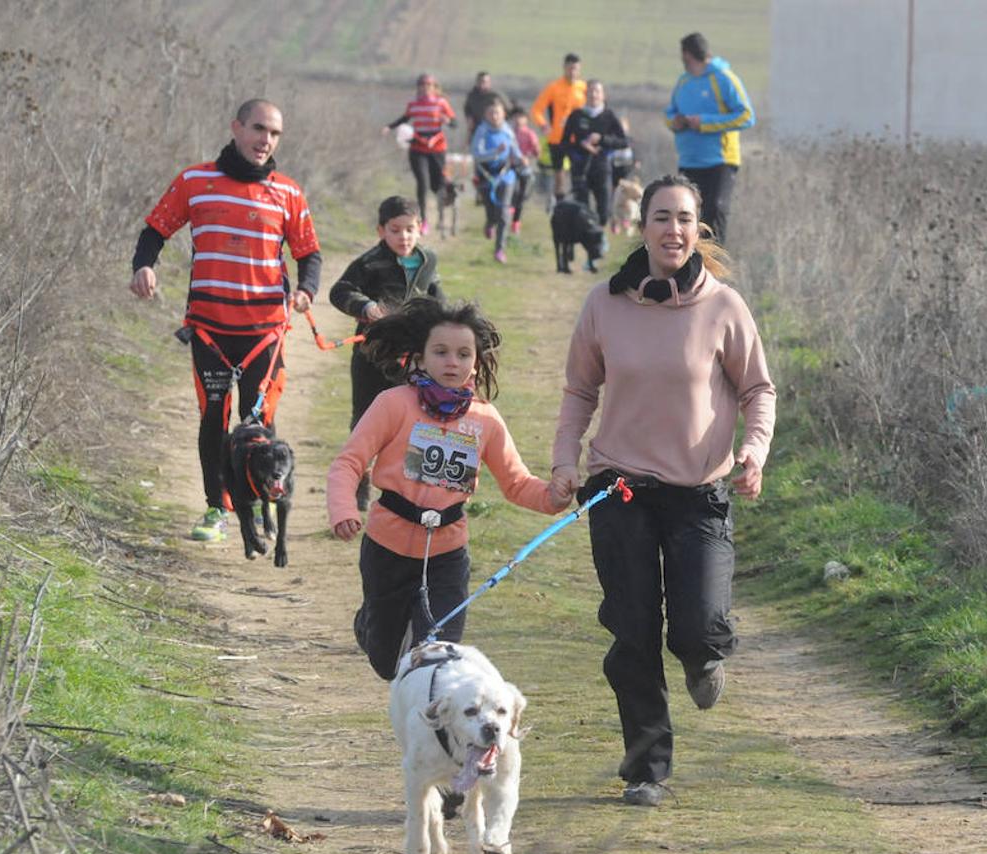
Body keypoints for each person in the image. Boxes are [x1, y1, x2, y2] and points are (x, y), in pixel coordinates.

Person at [550, 175, 776, 807]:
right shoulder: (604, 303)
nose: (672, 230)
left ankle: (703, 655)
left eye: (684, 219)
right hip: (618, 487)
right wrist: (564, 461)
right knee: (633, 632)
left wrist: (752, 453)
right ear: (642, 226)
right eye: (660, 218)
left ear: (697, 228)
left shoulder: (724, 306)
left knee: (698, 628)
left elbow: (759, 390)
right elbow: (578, 393)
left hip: (697, 492)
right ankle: (647, 768)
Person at [327, 297, 572, 681]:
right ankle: (370, 624)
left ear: (476, 361)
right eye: (440, 352)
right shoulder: (393, 404)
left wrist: (554, 498)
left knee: (438, 657)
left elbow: (516, 482)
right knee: (387, 662)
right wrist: (343, 510)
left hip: (447, 553)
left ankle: (434, 727)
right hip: (387, 548)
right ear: (420, 358)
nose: (452, 362)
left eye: (462, 354)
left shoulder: (485, 420)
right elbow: (349, 462)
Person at [129, 98, 321, 542]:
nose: (265, 140)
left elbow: (308, 253)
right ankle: (216, 509)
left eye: (274, 134)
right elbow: (155, 230)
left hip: (264, 334)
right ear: (236, 127)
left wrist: (306, 290)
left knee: (258, 427)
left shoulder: (288, 192)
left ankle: (252, 512)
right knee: (213, 419)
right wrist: (144, 265)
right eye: (258, 129)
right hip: (210, 331)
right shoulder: (195, 181)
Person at [328, 196, 444, 511]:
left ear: (421, 228)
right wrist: (365, 307)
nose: (403, 237)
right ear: (382, 231)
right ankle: (359, 484)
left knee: (414, 419)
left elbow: (437, 299)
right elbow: (339, 291)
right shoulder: (369, 263)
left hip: (413, 359)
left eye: (410, 229)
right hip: (371, 356)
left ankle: (406, 490)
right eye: (395, 230)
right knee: (365, 421)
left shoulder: (428, 261)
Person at [665, 32, 754, 246]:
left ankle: (715, 269)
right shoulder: (683, 82)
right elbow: (669, 114)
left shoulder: (724, 78)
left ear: (687, 55)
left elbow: (746, 116)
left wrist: (704, 122)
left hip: (720, 160)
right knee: (689, 215)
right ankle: (691, 267)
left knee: (715, 209)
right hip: (689, 160)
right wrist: (674, 123)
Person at [383, 73, 457, 236]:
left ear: (434, 87)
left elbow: (455, 123)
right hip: (418, 149)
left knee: (438, 185)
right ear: (418, 88)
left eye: (428, 85)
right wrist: (389, 127)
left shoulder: (441, 103)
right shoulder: (413, 104)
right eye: (422, 85)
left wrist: (448, 121)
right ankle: (423, 222)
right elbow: (404, 118)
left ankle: (443, 212)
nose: (425, 88)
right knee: (422, 184)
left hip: (437, 149)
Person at [562, 79, 628, 228]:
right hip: (580, 167)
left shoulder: (609, 116)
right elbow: (564, 143)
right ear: (585, 94)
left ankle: (599, 234)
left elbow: (623, 141)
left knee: (604, 212)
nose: (594, 94)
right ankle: (587, 242)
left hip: (602, 166)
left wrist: (602, 139)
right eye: (590, 91)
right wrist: (580, 145)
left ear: (603, 95)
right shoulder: (576, 115)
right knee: (581, 210)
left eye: (597, 91)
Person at [471, 99, 523, 264]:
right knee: (492, 211)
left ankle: (500, 249)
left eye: (497, 113)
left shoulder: (508, 131)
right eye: (491, 113)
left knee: (503, 212)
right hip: (486, 174)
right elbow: (477, 154)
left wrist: (521, 159)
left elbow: (515, 150)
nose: (494, 116)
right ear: (486, 115)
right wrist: (495, 152)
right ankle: (489, 223)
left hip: (506, 174)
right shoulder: (482, 131)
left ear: (503, 115)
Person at [529, 53, 586, 201]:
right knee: (559, 176)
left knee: (578, 174)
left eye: (575, 69)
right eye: (570, 68)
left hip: (577, 140)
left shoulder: (584, 88)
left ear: (579, 70)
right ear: (564, 68)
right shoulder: (553, 88)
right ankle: (559, 205)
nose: (572, 72)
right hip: (557, 139)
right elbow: (536, 110)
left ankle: (577, 204)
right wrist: (543, 126)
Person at [507, 108, 540, 235]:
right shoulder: (508, 132)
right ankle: (509, 211)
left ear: (526, 119)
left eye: (521, 117)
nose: (518, 120)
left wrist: (532, 153)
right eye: (516, 117)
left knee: (521, 196)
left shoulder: (530, 134)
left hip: (525, 169)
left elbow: (536, 152)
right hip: (510, 167)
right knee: (512, 191)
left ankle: (516, 222)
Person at [463, 71, 512, 144]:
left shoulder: (495, 95)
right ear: (477, 82)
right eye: (480, 81)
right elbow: (467, 108)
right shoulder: (472, 96)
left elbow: (509, 109)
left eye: (485, 82)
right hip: (477, 129)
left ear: (489, 82)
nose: (482, 84)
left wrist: (500, 121)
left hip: (494, 129)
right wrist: (469, 117)